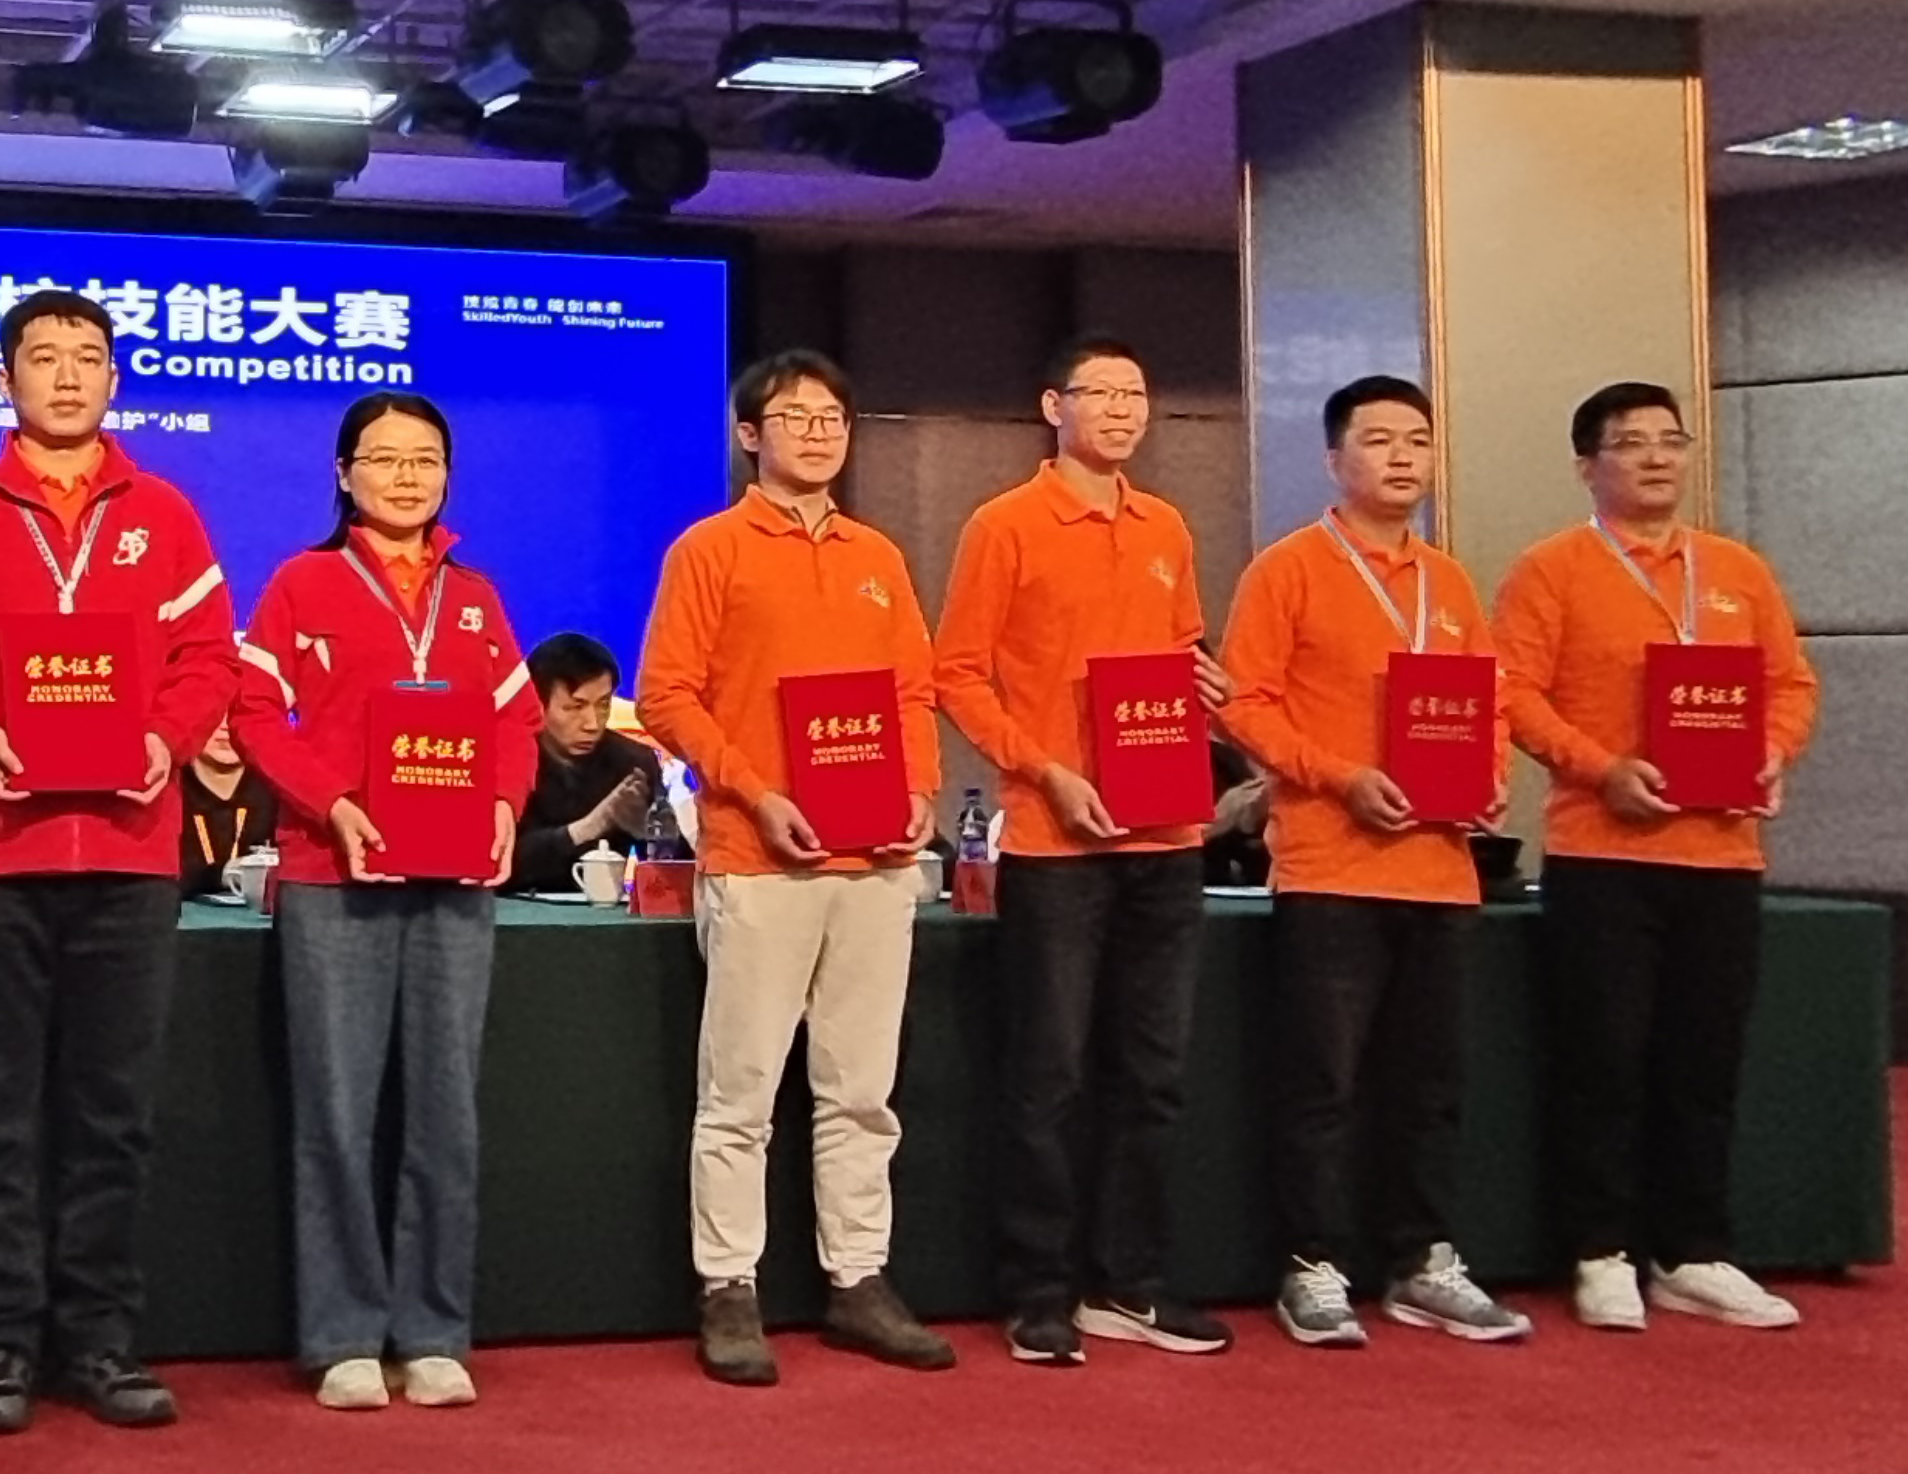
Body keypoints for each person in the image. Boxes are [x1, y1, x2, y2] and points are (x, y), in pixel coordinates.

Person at [0, 289, 238, 1436]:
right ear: (4, 377)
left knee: (111, 1114)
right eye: (43, 357)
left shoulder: (164, 515)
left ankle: (100, 1340)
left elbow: (207, 660)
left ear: (114, 379)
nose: (67, 376)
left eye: (88, 357)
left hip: (128, 855)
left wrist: (160, 739)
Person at [631, 350, 952, 1384]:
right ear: (747, 435)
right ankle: (728, 1287)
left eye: (832, 418)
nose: (816, 433)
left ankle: (858, 1278)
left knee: (861, 1089)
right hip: (756, 854)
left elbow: (911, 690)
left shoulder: (876, 554)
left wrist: (919, 789)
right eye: (794, 416)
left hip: (875, 859)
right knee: (740, 1093)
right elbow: (666, 695)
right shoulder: (709, 549)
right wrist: (752, 791)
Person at [228, 392, 540, 1412]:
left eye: (426, 460)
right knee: (335, 1110)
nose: (407, 478)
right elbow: (252, 714)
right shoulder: (302, 583)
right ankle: (343, 1335)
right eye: (385, 459)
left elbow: (514, 725)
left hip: (455, 881)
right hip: (334, 875)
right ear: (342, 473)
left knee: (445, 1113)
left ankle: (434, 1329)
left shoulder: (475, 597)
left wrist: (503, 806)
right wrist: (330, 803)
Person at [1494, 381, 1820, 1332]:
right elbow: (1512, 693)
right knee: (1605, 1061)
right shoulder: (1552, 570)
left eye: (1669, 441)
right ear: (1586, 465)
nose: (1654, 458)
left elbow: (1791, 684)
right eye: (1629, 443)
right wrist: (1602, 770)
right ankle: (1600, 1251)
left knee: (1703, 1061)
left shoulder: (1735, 570)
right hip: (1604, 853)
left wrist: (1772, 751)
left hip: (1721, 856)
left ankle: (1693, 1251)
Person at [934, 335, 1233, 1366]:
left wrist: (1205, 686)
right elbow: (957, 673)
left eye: (1135, 393)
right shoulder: (1004, 524)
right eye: (1098, 392)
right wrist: (1045, 771)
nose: (1120, 409)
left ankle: (1129, 1283)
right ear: (1050, 406)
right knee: (1050, 1076)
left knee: (1152, 1075)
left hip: (1168, 835)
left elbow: (1180, 653)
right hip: (1056, 843)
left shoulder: (1166, 526)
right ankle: (1038, 1291)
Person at [1219, 376, 1529, 1350]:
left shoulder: (1447, 581)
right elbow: (1244, 704)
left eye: (1417, 442)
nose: (1402, 457)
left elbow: (1484, 699)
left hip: (1439, 870)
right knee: (1323, 1083)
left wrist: (1486, 779)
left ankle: (1421, 1260)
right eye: (1379, 440)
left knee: (1429, 1084)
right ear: (1333, 458)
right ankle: (1311, 1265)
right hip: (1331, 867)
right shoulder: (1288, 570)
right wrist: (1339, 777)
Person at [508, 632, 662, 894]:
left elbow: (677, 874)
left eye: (603, 705)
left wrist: (648, 833)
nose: (592, 724)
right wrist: (590, 826)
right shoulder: (509, 760)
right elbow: (497, 863)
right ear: (537, 704)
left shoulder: (634, 763)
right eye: (574, 707)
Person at [176, 715, 281, 898]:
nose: (225, 727)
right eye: (216, 714)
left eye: (237, 713)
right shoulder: (168, 792)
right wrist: (219, 875)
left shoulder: (278, 795)